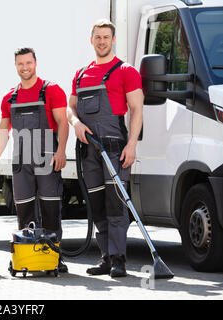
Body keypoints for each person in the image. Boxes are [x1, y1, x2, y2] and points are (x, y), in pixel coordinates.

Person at [67, 19, 144, 277]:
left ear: (113, 40)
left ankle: (119, 259)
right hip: (89, 152)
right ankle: (106, 258)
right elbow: (70, 107)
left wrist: (132, 145)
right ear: (91, 40)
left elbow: (136, 110)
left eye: (106, 37)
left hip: (114, 149)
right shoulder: (81, 74)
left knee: (116, 204)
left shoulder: (126, 71)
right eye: (97, 37)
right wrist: (76, 122)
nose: (101, 41)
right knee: (97, 204)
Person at [0, 47, 69, 272]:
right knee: (24, 211)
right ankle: (27, 257)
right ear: (15, 66)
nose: (25, 67)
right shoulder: (10, 97)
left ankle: (53, 258)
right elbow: (3, 131)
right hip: (21, 161)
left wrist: (61, 151)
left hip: (47, 158)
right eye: (20, 64)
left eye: (28, 63)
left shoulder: (51, 90)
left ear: (35, 63)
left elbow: (62, 122)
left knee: (50, 210)